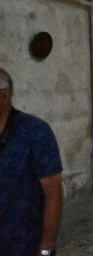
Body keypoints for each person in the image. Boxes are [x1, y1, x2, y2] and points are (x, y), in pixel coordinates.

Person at [0, 68, 63, 256]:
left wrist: (46, 248)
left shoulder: (36, 131)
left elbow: (53, 193)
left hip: (22, 243)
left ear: (4, 94)